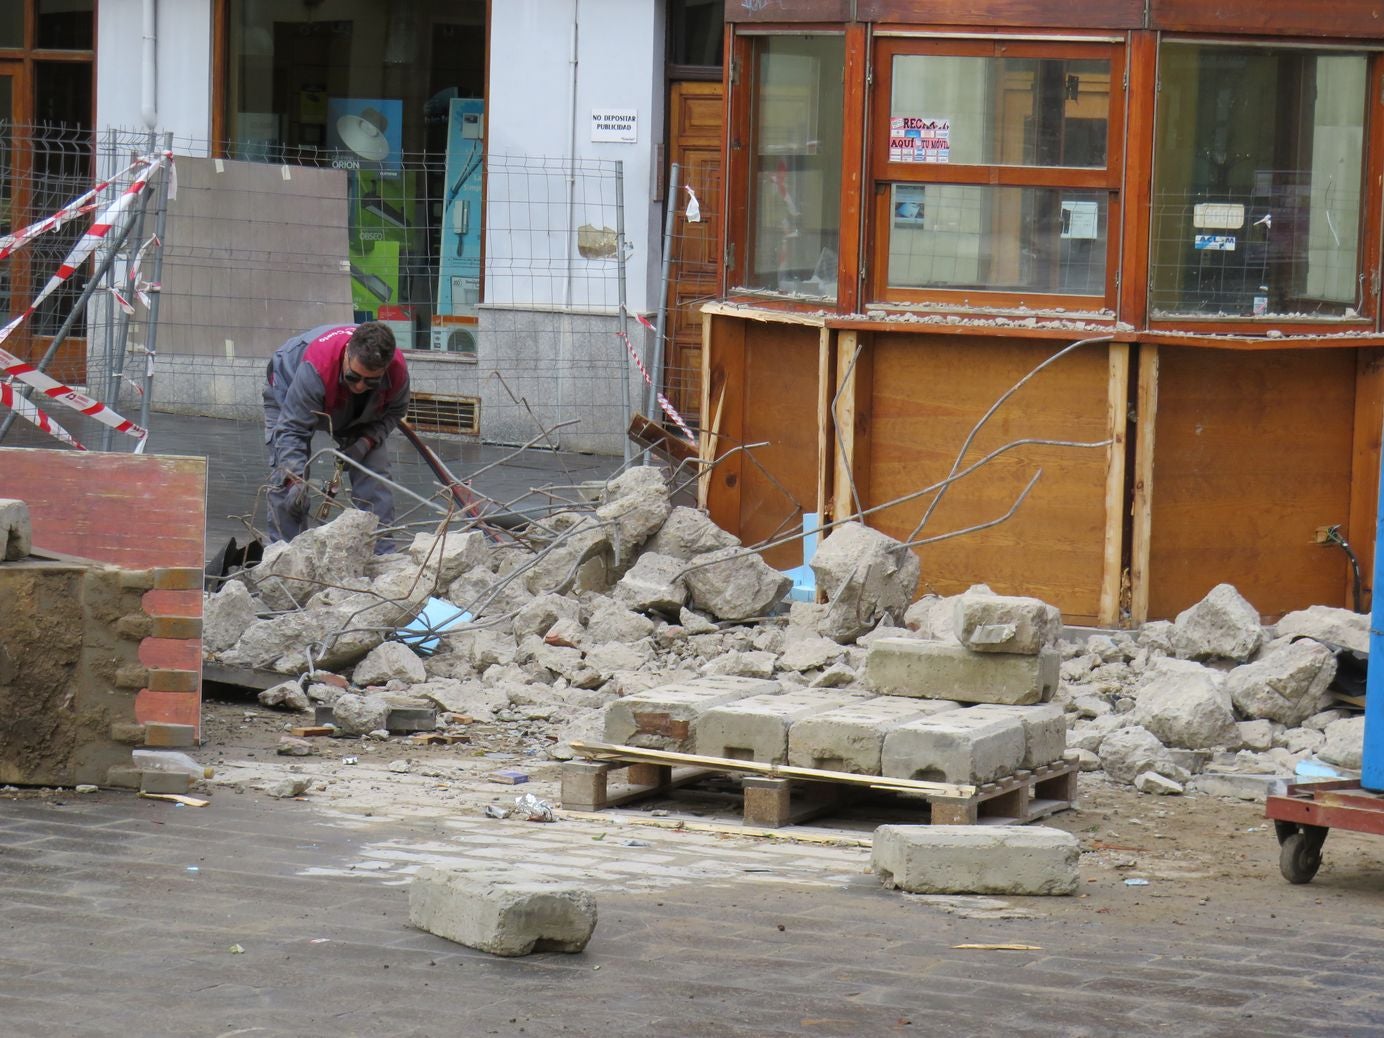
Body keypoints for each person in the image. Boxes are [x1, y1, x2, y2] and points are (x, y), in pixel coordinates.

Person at [262, 321, 410, 549]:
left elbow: (395, 411)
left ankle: (381, 557)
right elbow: (292, 430)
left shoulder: (396, 371)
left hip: (355, 409)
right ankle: (287, 558)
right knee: (287, 484)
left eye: (370, 381)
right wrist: (294, 479)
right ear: (347, 353)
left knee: (375, 475)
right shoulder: (317, 366)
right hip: (288, 388)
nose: (360, 386)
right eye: (354, 377)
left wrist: (366, 441)